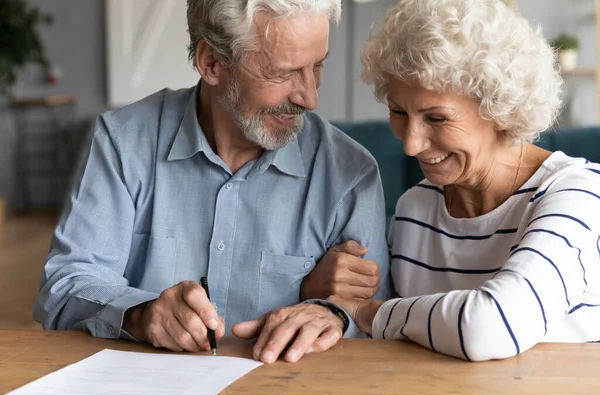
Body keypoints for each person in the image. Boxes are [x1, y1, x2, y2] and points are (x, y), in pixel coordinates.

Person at [34, 0, 393, 364]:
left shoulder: (351, 174)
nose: (310, 97)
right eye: (283, 73)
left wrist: (330, 310)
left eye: (317, 66)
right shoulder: (123, 143)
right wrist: (140, 313)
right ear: (211, 63)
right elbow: (64, 287)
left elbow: (375, 321)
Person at [331, 0, 600, 361]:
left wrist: (365, 312)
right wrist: (331, 291)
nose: (411, 143)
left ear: (500, 109)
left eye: (437, 118)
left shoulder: (577, 194)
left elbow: (492, 327)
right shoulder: (416, 208)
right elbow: (401, 335)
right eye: (398, 112)